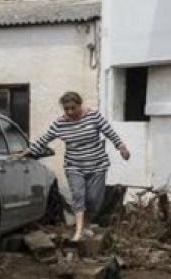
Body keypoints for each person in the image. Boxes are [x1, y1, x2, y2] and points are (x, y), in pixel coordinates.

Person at [19, 91, 130, 241]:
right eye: (66, 109)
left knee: (93, 199)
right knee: (78, 195)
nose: (70, 112)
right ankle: (78, 231)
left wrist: (121, 147)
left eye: (73, 108)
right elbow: (44, 139)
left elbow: (109, 132)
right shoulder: (60, 123)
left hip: (97, 165)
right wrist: (26, 152)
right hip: (74, 166)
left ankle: (86, 224)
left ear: (80, 105)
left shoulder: (93, 116)